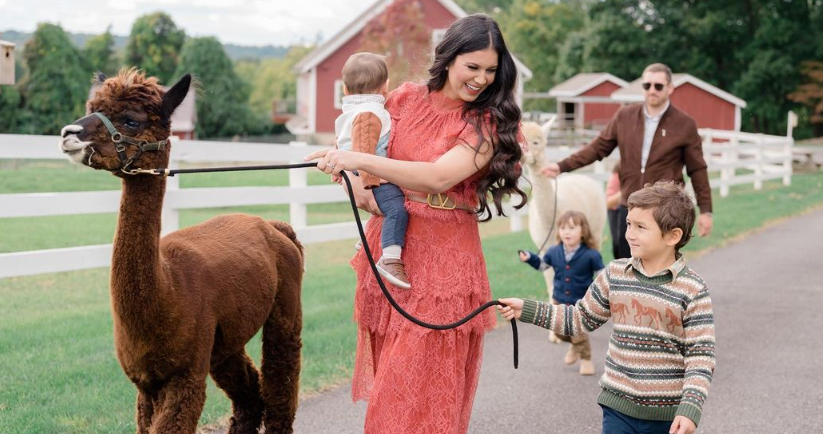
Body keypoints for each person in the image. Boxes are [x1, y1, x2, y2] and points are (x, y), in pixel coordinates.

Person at [305, 14, 526, 434]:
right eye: (472, 66)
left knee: (424, 391)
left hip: (447, 261)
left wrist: (359, 160)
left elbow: (440, 176)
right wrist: (355, 182)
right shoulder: (402, 99)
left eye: (491, 70)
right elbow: (357, 153)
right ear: (449, 59)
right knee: (394, 385)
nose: (481, 79)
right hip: (393, 253)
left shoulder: (486, 123)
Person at [498, 181, 716, 434]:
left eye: (641, 227)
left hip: (667, 416)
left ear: (672, 236)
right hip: (617, 408)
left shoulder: (693, 290)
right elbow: (579, 318)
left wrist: (690, 408)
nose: (629, 234)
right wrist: (526, 309)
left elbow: (701, 356)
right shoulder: (615, 274)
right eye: (628, 224)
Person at [542, 63, 713, 259]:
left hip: (664, 209)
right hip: (630, 206)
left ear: (670, 88)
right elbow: (597, 148)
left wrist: (706, 210)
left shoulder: (684, 124)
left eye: (658, 86)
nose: (652, 90)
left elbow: (697, 169)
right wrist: (561, 166)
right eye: (647, 85)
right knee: (625, 264)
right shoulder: (625, 116)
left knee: (659, 268)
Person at [334, 52, 411, 289]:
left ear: (346, 90)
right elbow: (364, 152)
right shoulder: (369, 113)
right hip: (371, 176)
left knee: (386, 210)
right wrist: (369, 185)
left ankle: (369, 238)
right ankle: (390, 259)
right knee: (397, 210)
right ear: (385, 87)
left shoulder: (350, 113)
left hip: (360, 173)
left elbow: (341, 144)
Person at [517, 210, 604, 375]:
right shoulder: (553, 252)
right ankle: (574, 346)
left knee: (578, 331)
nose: (566, 232)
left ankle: (586, 360)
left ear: (583, 231)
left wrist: (602, 293)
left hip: (580, 303)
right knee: (560, 332)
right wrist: (530, 258)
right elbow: (543, 266)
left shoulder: (591, 255)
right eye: (563, 228)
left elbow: (602, 275)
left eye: (572, 228)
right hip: (559, 300)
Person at [605, 161, 622, 259]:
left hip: (622, 208)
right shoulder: (618, 170)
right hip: (615, 209)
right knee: (617, 242)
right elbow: (609, 201)